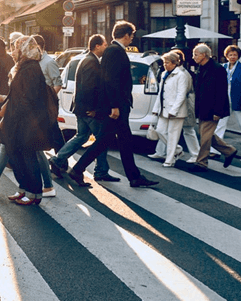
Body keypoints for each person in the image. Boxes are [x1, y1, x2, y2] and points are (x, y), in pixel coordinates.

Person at [67, 21, 159, 188]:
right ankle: (78, 169)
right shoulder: (115, 51)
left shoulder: (113, 51)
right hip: (116, 107)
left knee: (120, 140)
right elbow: (111, 80)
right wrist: (115, 106)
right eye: (131, 36)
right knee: (107, 140)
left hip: (116, 105)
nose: (132, 39)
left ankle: (134, 176)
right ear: (125, 35)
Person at [0, 36, 58, 205]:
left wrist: (17, 116)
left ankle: (34, 193)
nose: (13, 51)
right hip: (17, 119)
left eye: (16, 48)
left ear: (24, 50)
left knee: (28, 158)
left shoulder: (30, 68)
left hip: (26, 122)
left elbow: (27, 97)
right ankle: (23, 189)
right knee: (17, 157)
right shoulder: (23, 67)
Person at [48, 34, 117, 182]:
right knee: (101, 140)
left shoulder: (85, 59)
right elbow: (88, 88)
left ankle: (58, 159)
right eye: (104, 45)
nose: (106, 47)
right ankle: (101, 171)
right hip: (88, 109)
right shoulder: (92, 62)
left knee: (82, 136)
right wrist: (93, 109)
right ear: (97, 46)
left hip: (80, 107)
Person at [189, 43, 238, 172]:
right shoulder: (201, 67)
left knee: (204, 136)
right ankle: (229, 150)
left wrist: (218, 111)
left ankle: (201, 162)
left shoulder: (217, 69)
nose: (194, 57)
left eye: (196, 54)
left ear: (204, 55)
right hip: (203, 107)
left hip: (212, 108)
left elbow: (221, 91)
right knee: (207, 134)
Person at [151, 51, 192, 167]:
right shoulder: (165, 74)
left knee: (173, 134)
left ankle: (169, 159)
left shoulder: (181, 75)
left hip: (176, 111)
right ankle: (177, 150)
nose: (165, 64)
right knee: (160, 130)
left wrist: (174, 110)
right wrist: (156, 108)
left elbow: (181, 94)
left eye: (167, 62)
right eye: (164, 62)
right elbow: (160, 93)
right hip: (164, 109)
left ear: (174, 63)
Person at [215, 45, 241, 155]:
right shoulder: (222, 67)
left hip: (238, 100)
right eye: (230, 55)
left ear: (238, 56)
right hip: (224, 99)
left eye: (235, 55)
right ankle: (215, 149)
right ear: (226, 56)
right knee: (220, 124)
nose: (232, 57)